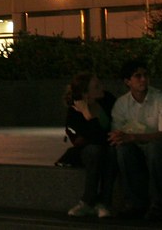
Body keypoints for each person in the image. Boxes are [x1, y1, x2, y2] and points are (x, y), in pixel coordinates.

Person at [109, 59, 162, 222]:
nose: (143, 79)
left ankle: (159, 206)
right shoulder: (121, 104)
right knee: (122, 150)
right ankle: (134, 204)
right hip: (137, 151)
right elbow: (117, 134)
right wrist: (122, 137)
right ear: (127, 81)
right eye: (137, 76)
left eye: (145, 75)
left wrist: (133, 137)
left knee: (156, 148)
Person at [63, 73, 117, 218]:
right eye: (96, 87)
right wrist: (87, 114)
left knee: (111, 153)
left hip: (110, 146)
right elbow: (93, 138)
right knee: (95, 151)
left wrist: (90, 117)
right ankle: (88, 201)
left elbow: (107, 133)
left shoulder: (108, 100)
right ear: (86, 93)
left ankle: (104, 203)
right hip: (89, 150)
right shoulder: (75, 110)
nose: (102, 88)